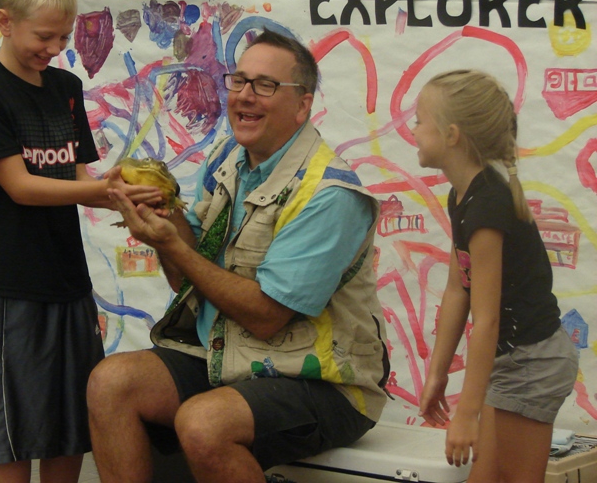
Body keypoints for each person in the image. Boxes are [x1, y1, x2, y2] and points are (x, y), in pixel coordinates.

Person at [88, 29, 390, 483]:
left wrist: (170, 243)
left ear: (303, 105)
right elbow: (187, 279)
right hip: (228, 358)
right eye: (239, 80)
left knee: (203, 423)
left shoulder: (329, 193)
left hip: (323, 384)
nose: (245, 96)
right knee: (110, 382)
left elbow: (266, 316)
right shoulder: (229, 155)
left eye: (265, 85)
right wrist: (162, 211)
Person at [0, 0, 162, 483]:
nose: (54, 47)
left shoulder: (65, 86)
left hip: (68, 279)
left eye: (63, 36)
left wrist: (122, 192)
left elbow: (78, 177)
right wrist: (104, 190)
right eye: (43, 36)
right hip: (7, 283)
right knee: (16, 431)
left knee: (71, 421)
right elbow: (21, 187)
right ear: (5, 22)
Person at [413, 70, 579, 482]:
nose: (412, 130)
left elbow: (485, 319)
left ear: (451, 135)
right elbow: (458, 289)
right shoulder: (462, 196)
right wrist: (437, 374)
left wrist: (467, 414)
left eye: (419, 121)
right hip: (512, 358)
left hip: (532, 360)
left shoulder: (488, 205)